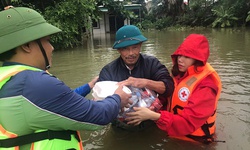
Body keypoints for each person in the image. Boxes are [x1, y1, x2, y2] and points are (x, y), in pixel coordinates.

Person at [0, 6, 131, 150]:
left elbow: (57, 104)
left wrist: (89, 86)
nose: (52, 48)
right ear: (26, 45)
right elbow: (98, 117)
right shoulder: (35, 84)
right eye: (48, 41)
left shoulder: (9, 78)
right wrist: (117, 98)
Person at [125, 34, 222, 144]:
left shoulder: (206, 86)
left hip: (195, 142)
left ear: (197, 59)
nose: (180, 60)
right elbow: (168, 98)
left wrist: (153, 116)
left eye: (187, 57)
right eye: (179, 55)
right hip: (175, 133)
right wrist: (151, 106)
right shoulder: (180, 74)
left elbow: (188, 124)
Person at [98, 25, 174, 131]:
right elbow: (100, 105)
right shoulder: (108, 71)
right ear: (119, 50)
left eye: (135, 47)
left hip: (151, 122)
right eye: (125, 49)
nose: (131, 53)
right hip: (121, 127)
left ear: (140, 46)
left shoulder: (152, 63)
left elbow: (169, 87)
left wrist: (145, 82)